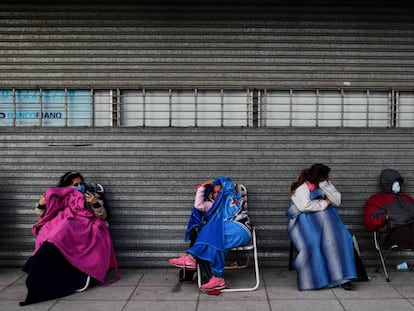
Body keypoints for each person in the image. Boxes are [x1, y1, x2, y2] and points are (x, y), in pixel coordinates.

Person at [20, 171, 119, 306]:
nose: (79, 186)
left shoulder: (91, 196)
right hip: (62, 223)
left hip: (81, 225)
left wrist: (95, 203)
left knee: (62, 230)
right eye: (75, 184)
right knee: (50, 234)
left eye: (81, 183)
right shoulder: (58, 196)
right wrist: (41, 203)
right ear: (67, 186)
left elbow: (103, 216)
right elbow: (41, 213)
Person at [168, 176, 252, 292]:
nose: (217, 194)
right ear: (211, 194)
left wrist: (220, 183)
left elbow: (228, 185)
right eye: (214, 192)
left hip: (239, 228)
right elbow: (198, 205)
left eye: (219, 192)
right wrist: (203, 187)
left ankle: (191, 257)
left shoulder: (229, 197)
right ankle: (217, 278)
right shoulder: (211, 206)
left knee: (209, 228)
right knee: (215, 246)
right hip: (225, 234)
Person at [286, 164, 357, 291]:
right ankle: (317, 279)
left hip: (329, 223)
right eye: (326, 176)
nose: (329, 178)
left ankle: (344, 277)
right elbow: (304, 207)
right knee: (314, 243)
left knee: (343, 239)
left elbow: (337, 200)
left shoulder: (325, 184)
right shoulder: (302, 187)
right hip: (305, 223)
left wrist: (325, 186)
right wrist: (325, 202)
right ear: (319, 177)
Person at [364, 169, 414, 249]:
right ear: (387, 184)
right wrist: (385, 217)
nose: (397, 185)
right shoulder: (377, 200)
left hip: (410, 230)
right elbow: (369, 223)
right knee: (405, 232)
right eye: (394, 182)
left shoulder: (406, 198)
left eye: (398, 182)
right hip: (391, 233)